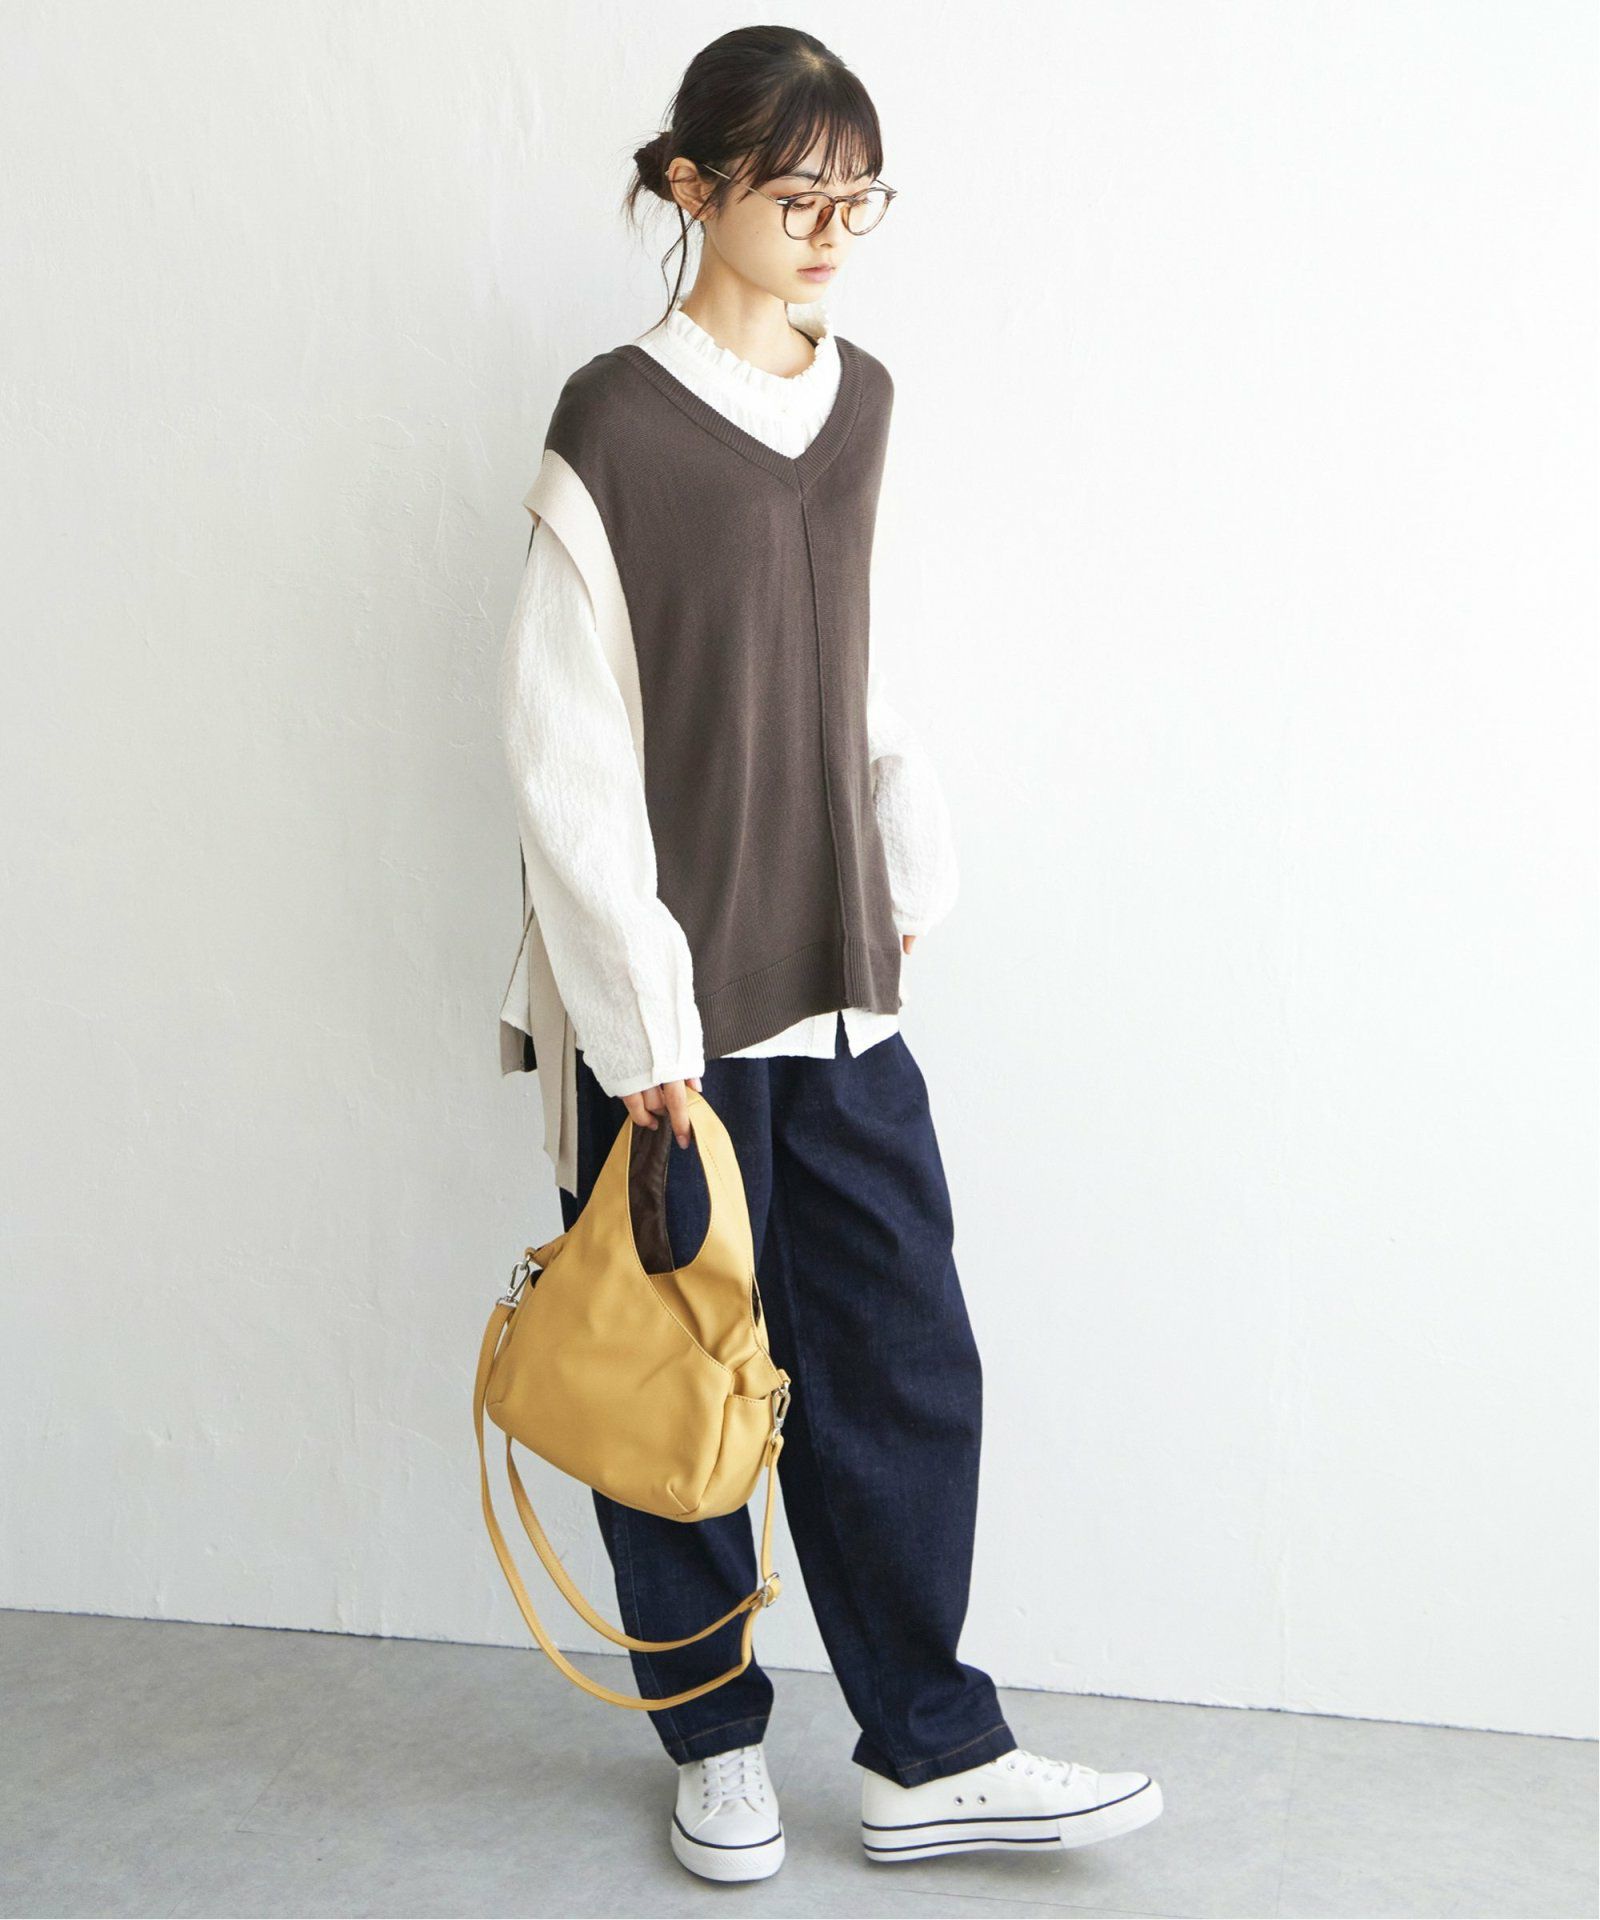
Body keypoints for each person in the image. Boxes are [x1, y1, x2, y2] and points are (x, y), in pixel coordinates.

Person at [496, 23, 1164, 1886]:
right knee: (679, 1382)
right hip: (670, 1016)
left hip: (840, 988)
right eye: (799, 196)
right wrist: (640, 1021)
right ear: (692, 186)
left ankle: (930, 1751)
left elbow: (857, 651)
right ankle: (714, 1743)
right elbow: (563, 748)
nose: (831, 234)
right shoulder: (613, 423)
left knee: (901, 1364)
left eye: (859, 202)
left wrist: (902, 850)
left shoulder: (860, 400)